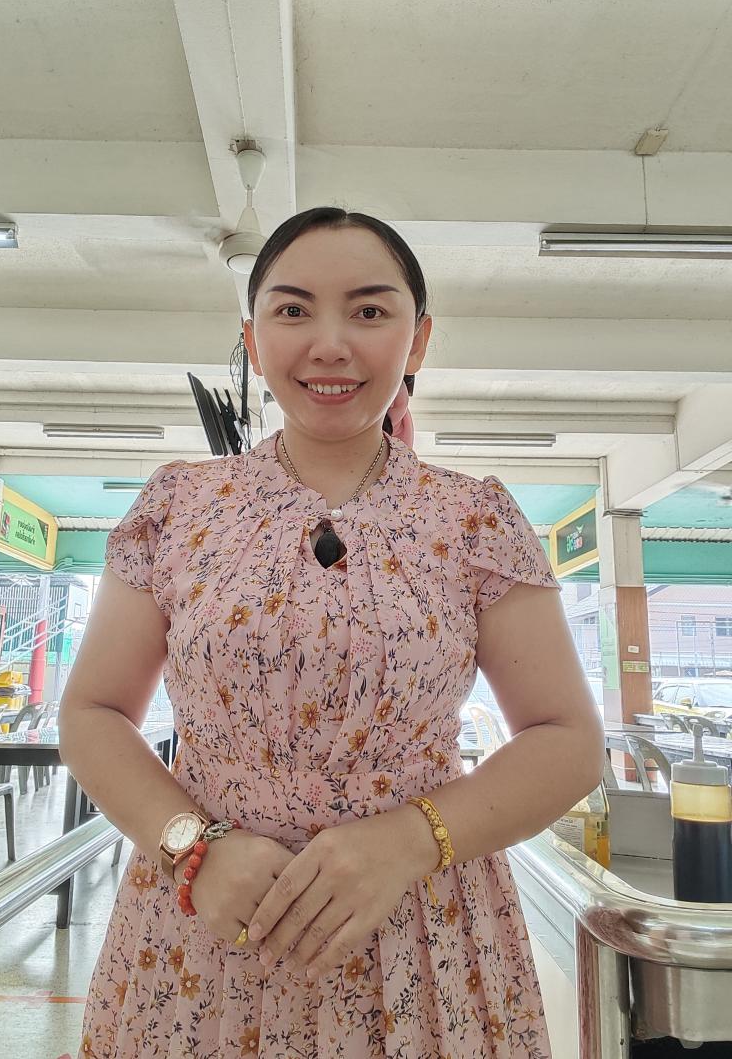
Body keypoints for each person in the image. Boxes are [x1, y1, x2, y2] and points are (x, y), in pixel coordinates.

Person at [62, 207, 604, 1058]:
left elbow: (568, 740)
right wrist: (192, 845)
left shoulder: (473, 518)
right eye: (292, 309)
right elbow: (92, 711)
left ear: (418, 340)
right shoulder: (179, 507)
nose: (329, 343)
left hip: (421, 935)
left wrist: (410, 840)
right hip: (204, 931)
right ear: (252, 338)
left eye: (369, 310)